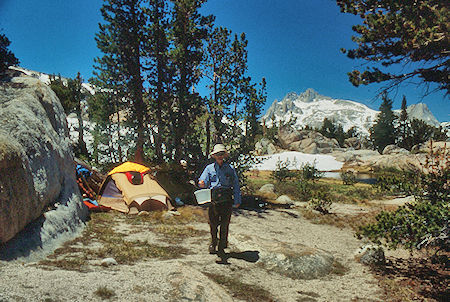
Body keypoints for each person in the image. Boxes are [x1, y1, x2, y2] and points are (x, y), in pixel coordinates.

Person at [198, 144, 241, 256]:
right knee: (213, 223)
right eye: (218, 154)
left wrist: (237, 199)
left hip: (226, 198)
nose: (220, 156)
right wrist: (201, 183)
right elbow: (203, 181)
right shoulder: (209, 168)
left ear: (224, 155)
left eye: (222, 154)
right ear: (214, 156)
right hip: (213, 198)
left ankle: (222, 246)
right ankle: (213, 242)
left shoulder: (230, 169)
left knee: (224, 224)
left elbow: (236, 184)